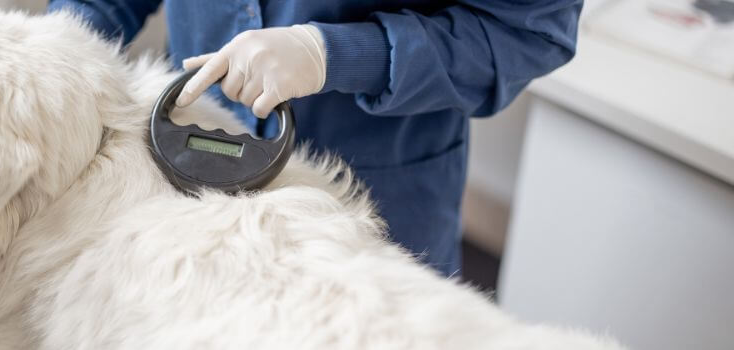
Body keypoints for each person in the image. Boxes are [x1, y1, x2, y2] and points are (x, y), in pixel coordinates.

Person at [48, 0, 581, 277]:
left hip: (378, 190)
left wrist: (336, 53)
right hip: (182, 173)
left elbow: (527, 30)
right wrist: (55, 47)